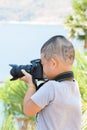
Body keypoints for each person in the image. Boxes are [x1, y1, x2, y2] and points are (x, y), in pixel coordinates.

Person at [20, 35, 82, 130]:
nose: (42, 68)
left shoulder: (51, 87)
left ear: (53, 63)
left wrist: (31, 85)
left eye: (43, 64)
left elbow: (28, 110)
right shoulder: (74, 86)